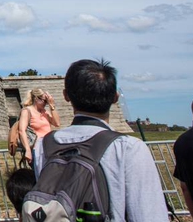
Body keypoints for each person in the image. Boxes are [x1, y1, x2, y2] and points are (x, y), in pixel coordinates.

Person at [33, 59, 168, 221]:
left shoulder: (43, 146)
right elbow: (148, 215)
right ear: (115, 97)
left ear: (66, 96)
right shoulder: (128, 148)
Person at [17, 88, 60, 166]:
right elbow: (21, 130)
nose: (46, 103)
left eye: (47, 101)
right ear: (36, 98)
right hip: (36, 149)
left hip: (48, 147)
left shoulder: (45, 112)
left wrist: (52, 106)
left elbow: (57, 123)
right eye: (44, 101)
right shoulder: (27, 111)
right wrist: (27, 150)